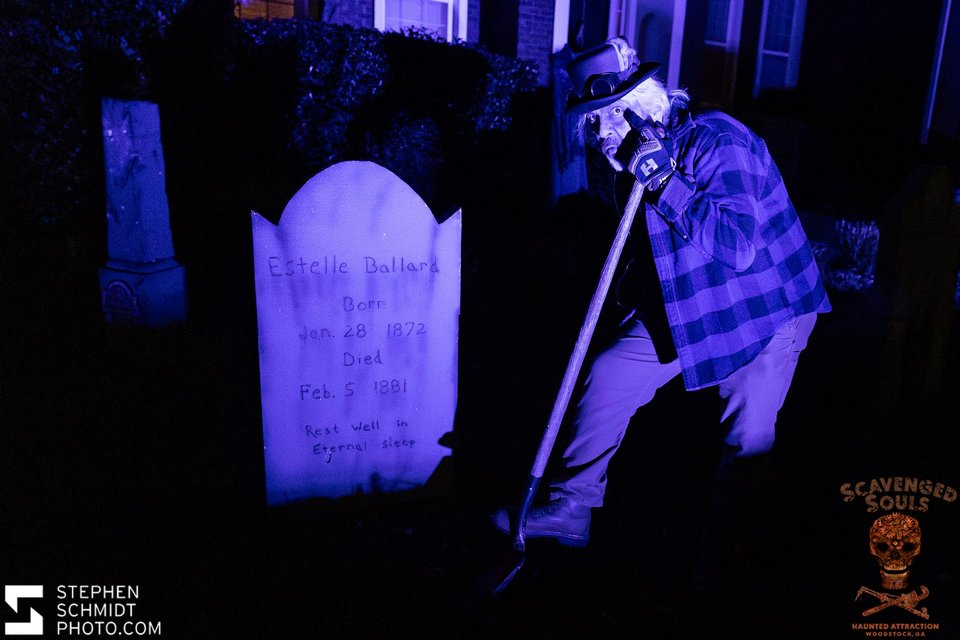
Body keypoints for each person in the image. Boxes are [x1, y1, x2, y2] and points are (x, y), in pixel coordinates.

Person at [493, 37, 831, 548]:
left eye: (608, 117)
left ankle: (732, 562)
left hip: (765, 306)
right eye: (592, 123)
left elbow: (737, 246)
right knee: (610, 372)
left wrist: (665, 180)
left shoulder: (717, 141)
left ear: (641, 106)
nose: (600, 134)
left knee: (747, 444)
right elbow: (656, 249)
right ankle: (573, 506)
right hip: (697, 298)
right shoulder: (637, 165)